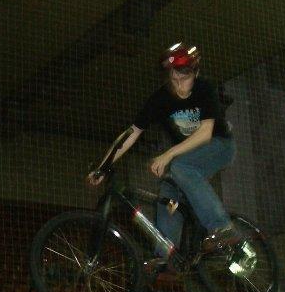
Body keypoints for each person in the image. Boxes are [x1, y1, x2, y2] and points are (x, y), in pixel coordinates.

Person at [87, 42, 236, 256]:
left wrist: (168, 154)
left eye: (185, 79)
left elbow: (205, 132)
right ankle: (165, 259)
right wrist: (103, 166)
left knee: (180, 167)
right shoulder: (160, 99)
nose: (180, 86)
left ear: (195, 74)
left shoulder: (204, 89)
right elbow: (132, 132)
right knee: (167, 197)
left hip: (220, 146)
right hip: (187, 157)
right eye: (175, 79)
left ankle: (222, 227)